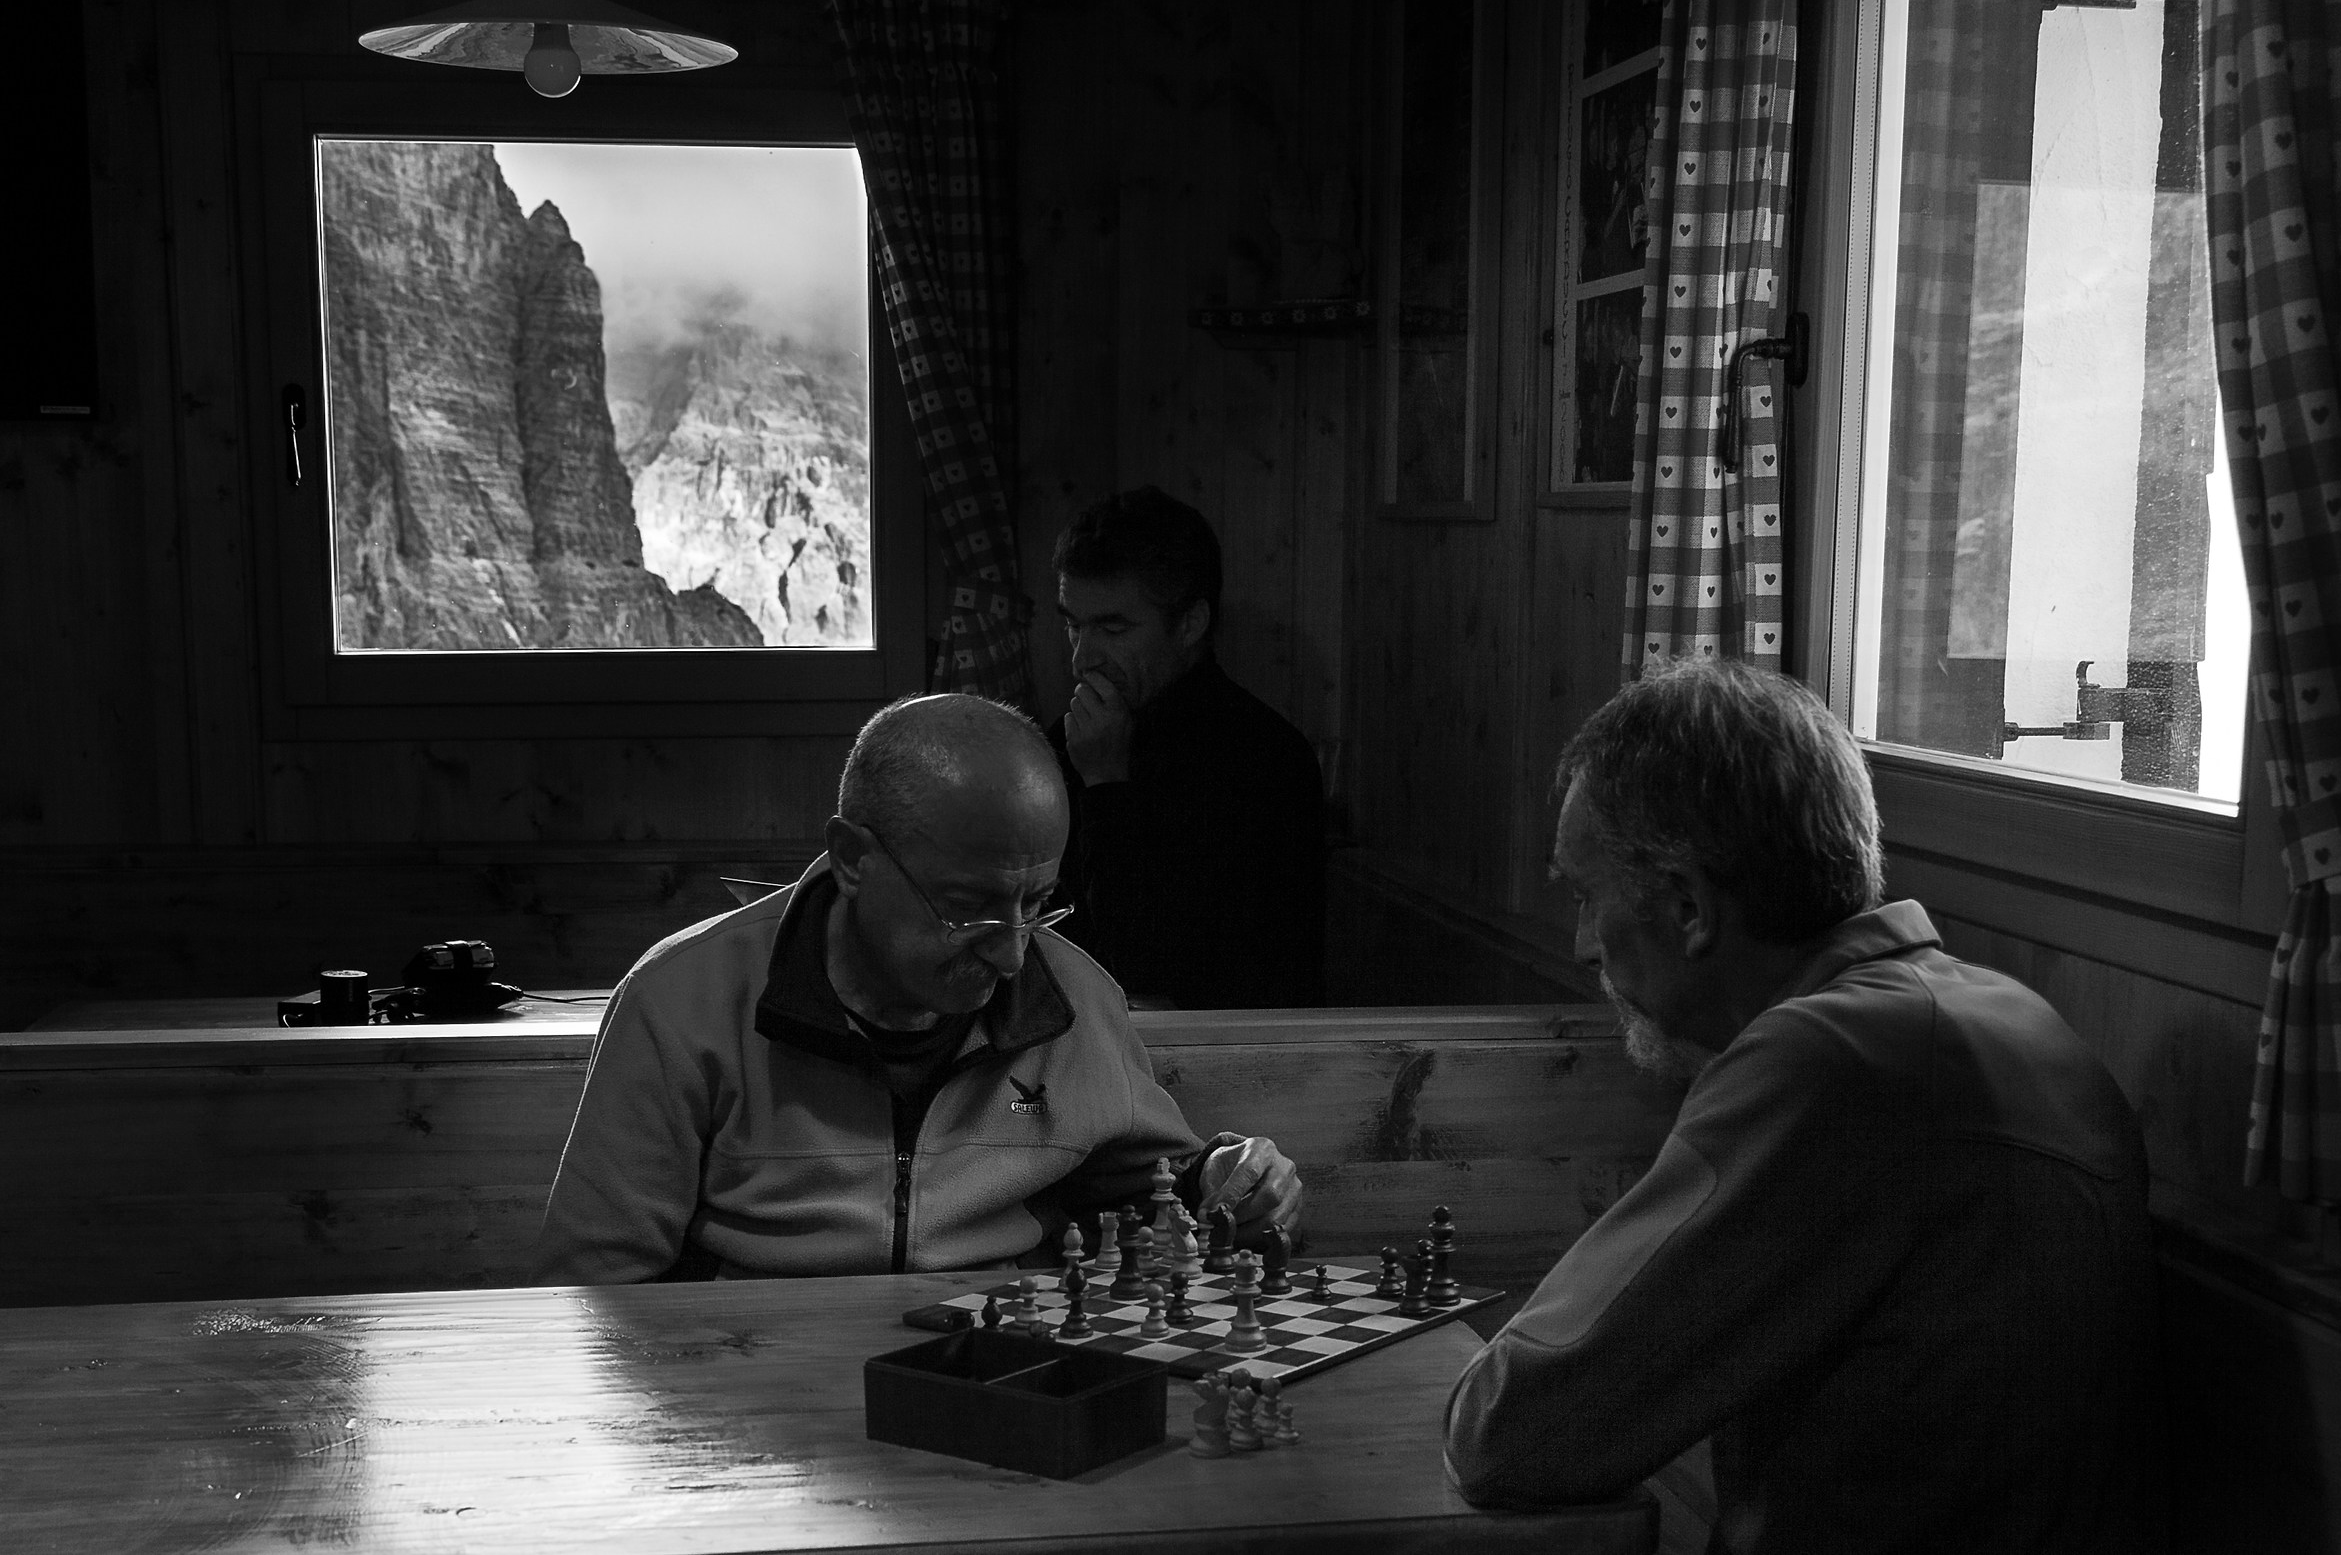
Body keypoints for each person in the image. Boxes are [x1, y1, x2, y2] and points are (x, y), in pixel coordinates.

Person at [1445, 660, 2156, 1552]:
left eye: (1586, 897)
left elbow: (1511, 1428)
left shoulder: (1830, 1061)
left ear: (1689, 907)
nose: (1582, 943)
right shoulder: (2001, 1015)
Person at [533, 693, 1302, 1284]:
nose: (1011, 956)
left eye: (1035, 905)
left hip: (1003, 1382)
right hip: (756, 1403)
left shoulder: (1074, 996)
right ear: (852, 858)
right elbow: (590, 1292)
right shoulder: (679, 1003)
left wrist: (1230, 1180)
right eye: (967, 910)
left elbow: (1154, 1189)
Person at [1047, 488, 1325, 1008]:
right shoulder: (1064, 741)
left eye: (1113, 627)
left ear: (1190, 625)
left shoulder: (1262, 762)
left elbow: (1144, 969)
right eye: (1072, 625)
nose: (1084, 657)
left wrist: (1106, 785)